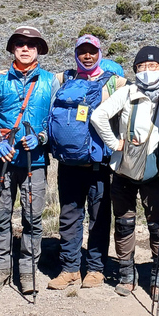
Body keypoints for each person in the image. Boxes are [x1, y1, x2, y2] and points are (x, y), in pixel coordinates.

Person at [0, 26, 59, 295]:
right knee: (0, 215)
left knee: (33, 217)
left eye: (31, 44)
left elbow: (53, 121)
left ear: (38, 50)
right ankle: (1, 268)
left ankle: (27, 270)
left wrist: (41, 137)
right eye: (20, 44)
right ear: (13, 48)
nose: (25, 48)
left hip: (34, 163)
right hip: (2, 160)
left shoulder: (50, 81)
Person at [90, 46, 159, 302]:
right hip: (124, 170)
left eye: (153, 67)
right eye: (142, 67)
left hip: (156, 172)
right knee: (124, 224)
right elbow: (98, 115)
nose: (148, 71)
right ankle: (127, 274)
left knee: (158, 226)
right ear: (135, 69)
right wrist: (114, 142)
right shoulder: (126, 92)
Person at [46, 35, 127, 290]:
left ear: (100, 53)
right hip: (68, 164)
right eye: (82, 52)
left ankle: (95, 269)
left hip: (98, 164)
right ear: (76, 54)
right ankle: (69, 268)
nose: (87, 56)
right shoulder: (64, 79)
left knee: (99, 217)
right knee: (69, 217)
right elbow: (36, 77)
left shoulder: (114, 82)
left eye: (92, 51)